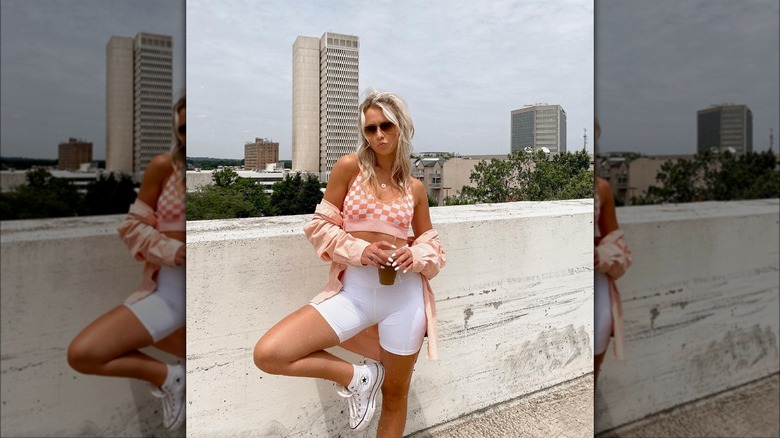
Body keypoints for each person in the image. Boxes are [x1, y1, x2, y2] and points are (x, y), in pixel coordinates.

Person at [254, 89, 446, 437]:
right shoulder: (349, 168)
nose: (379, 136)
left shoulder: (415, 188)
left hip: (404, 300)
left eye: (386, 126)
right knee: (270, 353)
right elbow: (319, 226)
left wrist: (414, 255)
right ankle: (359, 378)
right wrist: (358, 250)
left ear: (402, 127)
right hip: (353, 293)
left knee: (396, 395)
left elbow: (432, 246)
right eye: (371, 129)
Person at [67, 95, 187, 431]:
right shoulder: (165, 167)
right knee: (83, 352)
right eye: (183, 129)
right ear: (177, 131)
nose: (188, 136)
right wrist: (172, 250)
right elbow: (133, 225)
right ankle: (171, 377)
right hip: (169, 294)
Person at [594, 117, 633, 384]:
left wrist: (599, 254)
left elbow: (619, 247)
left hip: (596, 287)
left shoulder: (602, 189)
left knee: (590, 374)